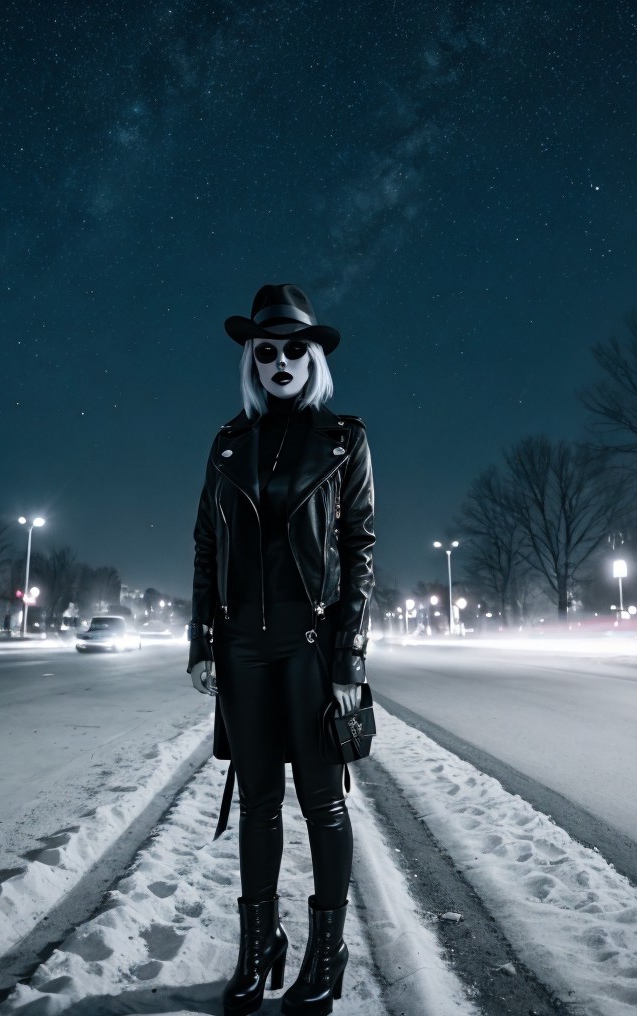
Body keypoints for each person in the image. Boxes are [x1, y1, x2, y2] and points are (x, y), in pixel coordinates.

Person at [186, 283, 375, 1016]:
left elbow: (360, 549)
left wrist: (348, 659)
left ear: (314, 358)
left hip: (310, 645)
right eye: (266, 351)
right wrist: (202, 640)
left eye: (295, 348)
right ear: (252, 361)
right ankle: (259, 949)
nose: (281, 361)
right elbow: (206, 544)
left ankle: (327, 954)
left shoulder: (345, 438)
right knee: (258, 803)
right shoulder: (228, 441)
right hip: (240, 650)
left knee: (323, 803)